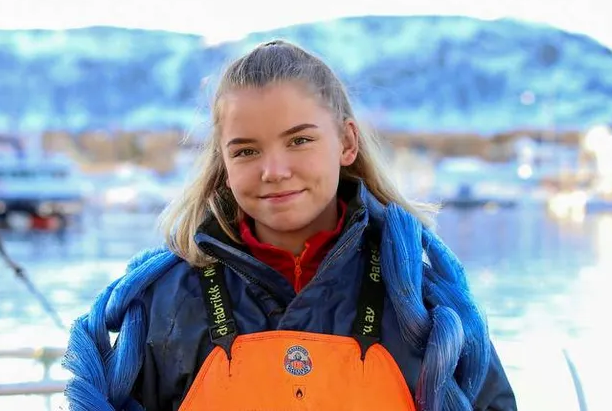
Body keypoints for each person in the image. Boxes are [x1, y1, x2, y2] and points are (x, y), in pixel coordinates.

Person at [64, 40, 517, 410]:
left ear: (346, 142)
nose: (274, 170)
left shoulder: (425, 301)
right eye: (246, 150)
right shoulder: (164, 301)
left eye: (299, 140)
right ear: (222, 162)